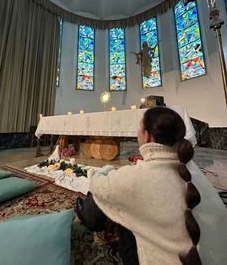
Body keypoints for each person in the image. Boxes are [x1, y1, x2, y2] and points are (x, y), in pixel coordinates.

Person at [76, 107, 202, 265]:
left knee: (106, 196)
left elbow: (96, 183)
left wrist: (107, 170)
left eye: (139, 127)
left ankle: (85, 214)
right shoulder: (191, 174)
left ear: (147, 135)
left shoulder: (137, 177)